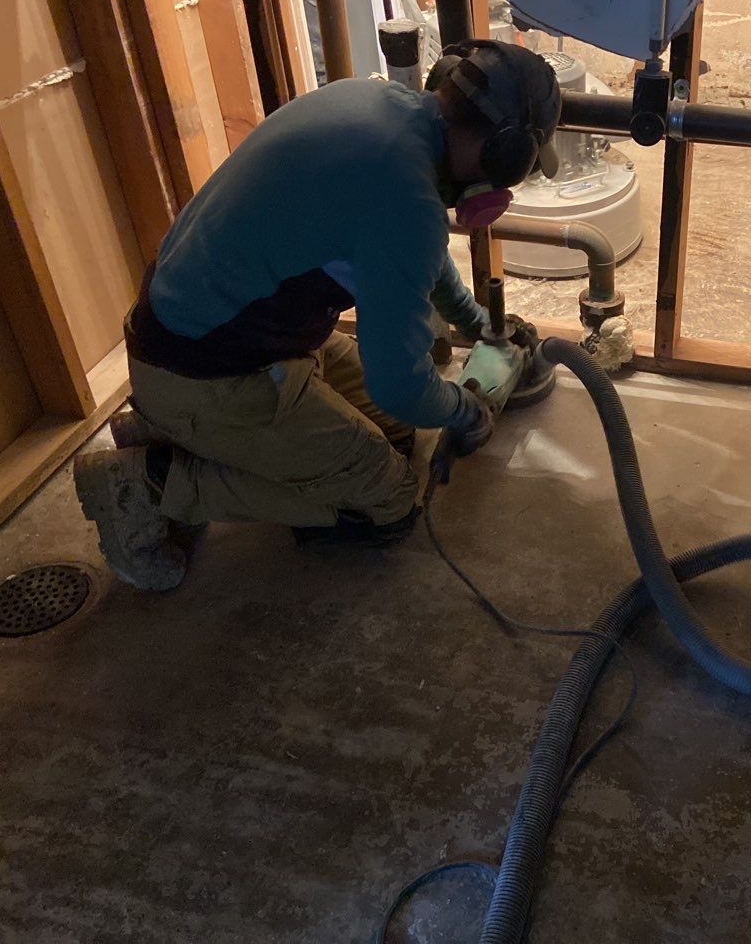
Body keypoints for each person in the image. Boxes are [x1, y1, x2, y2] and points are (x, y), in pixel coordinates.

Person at [74, 40, 562, 592]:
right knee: (391, 496)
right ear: (503, 153)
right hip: (208, 372)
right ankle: (146, 483)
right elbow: (400, 382)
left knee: (397, 433)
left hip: (211, 337)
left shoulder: (373, 106)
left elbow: (417, 260)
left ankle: (177, 427)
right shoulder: (405, 200)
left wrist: (474, 322)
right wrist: (467, 413)